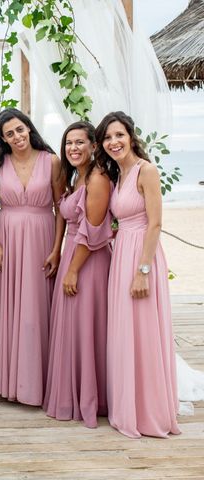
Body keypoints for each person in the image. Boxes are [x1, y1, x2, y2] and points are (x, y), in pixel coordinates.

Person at [96, 111, 180, 438]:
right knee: (125, 332)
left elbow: (155, 223)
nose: (114, 142)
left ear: (131, 136)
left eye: (119, 135)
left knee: (144, 331)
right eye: (107, 138)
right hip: (122, 256)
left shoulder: (147, 171)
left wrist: (143, 271)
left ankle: (149, 411)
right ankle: (128, 404)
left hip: (143, 257)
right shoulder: (118, 173)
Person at [0, 108, 65, 406]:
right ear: (3, 139)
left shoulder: (52, 162)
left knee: (35, 309)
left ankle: (38, 382)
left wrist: (57, 249)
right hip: (7, 238)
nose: (17, 137)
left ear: (29, 129)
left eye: (20, 130)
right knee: (7, 310)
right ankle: (11, 383)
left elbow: (61, 209)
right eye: (10, 133)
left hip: (41, 237)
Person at [43, 121, 112, 427]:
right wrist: (59, 253)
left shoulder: (97, 178)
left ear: (94, 146)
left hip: (88, 261)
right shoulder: (76, 176)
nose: (73, 148)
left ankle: (92, 397)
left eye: (80, 142)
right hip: (72, 254)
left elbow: (93, 230)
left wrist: (72, 271)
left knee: (86, 327)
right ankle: (72, 393)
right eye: (69, 143)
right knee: (72, 327)